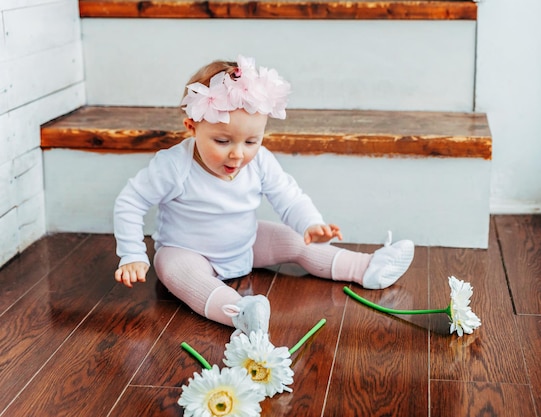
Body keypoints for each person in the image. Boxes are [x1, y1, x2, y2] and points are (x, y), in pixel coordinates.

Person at [113, 55, 414, 336]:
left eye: (251, 141)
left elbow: (288, 196)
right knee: (179, 272)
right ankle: (238, 312)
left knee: (297, 241)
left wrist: (310, 224)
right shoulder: (173, 166)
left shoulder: (259, 161)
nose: (237, 153)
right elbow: (130, 201)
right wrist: (132, 254)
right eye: (222, 140)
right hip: (188, 250)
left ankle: (367, 268)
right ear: (192, 127)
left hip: (246, 242)